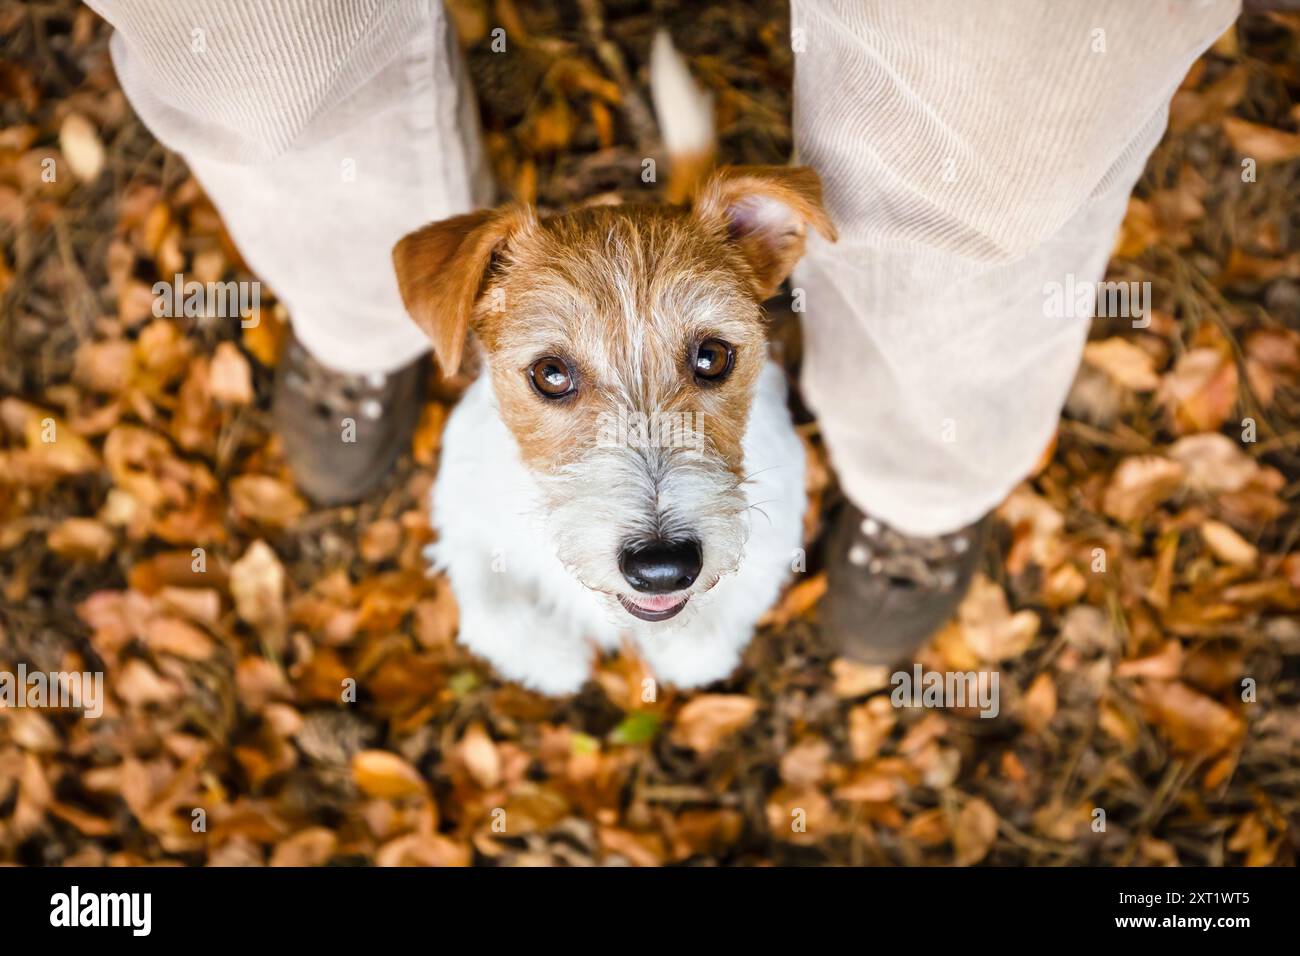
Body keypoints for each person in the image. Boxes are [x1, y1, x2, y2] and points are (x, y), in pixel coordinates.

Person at [85, 0, 1241, 663]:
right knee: (254, 53)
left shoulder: (759, 236)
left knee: (994, 141)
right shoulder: (477, 301)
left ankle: (922, 474)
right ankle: (353, 311)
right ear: (473, 325)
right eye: (553, 375)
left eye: (708, 357)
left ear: (770, 249)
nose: (654, 508)